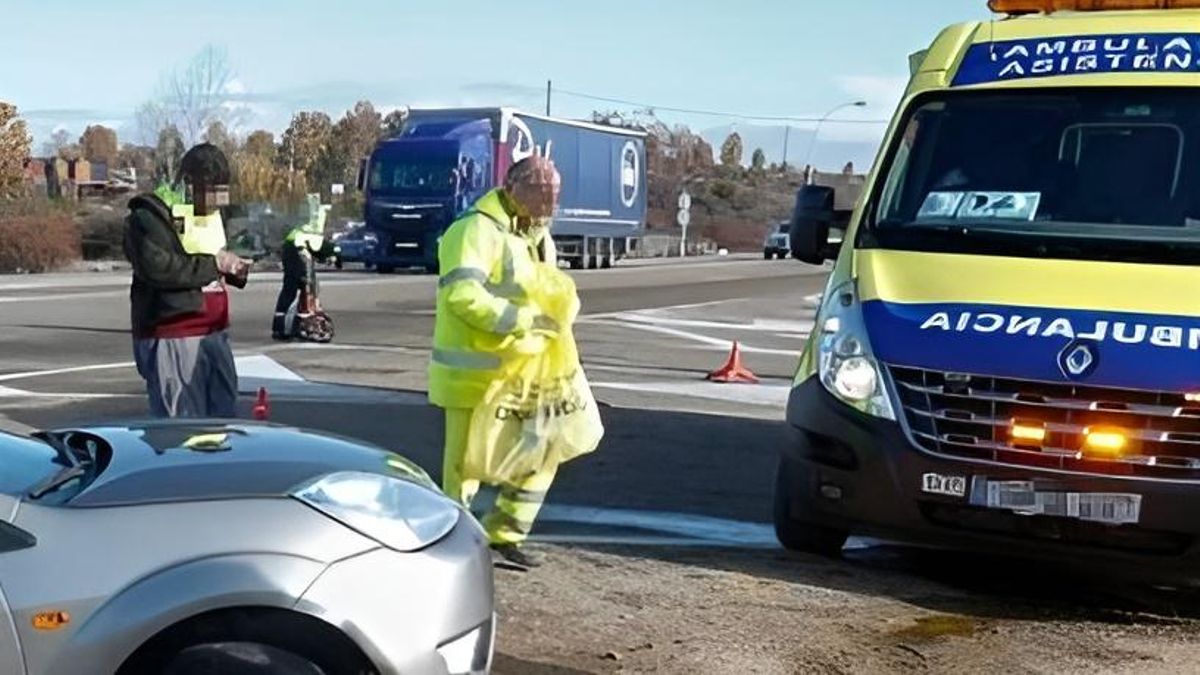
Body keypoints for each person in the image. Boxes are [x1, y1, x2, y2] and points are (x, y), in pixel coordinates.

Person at [430, 153, 561, 570]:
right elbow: (463, 296)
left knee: (540, 452)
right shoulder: (473, 230)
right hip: (472, 373)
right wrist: (523, 321)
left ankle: (506, 535)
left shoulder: (531, 234)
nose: (546, 208)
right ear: (511, 190)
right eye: (539, 197)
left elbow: (547, 288)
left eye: (552, 198)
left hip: (522, 370)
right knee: (465, 467)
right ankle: (453, 542)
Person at [124, 143, 249, 418]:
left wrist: (233, 267)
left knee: (222, 423)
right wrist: (214, 264)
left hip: (214, 332)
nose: (217, 203)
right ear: (190, 183)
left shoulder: (209, 214)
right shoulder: (148, 216)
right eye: (212, 192)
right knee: (182, 428)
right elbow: (159, 268)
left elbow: (206, 254)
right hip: (175, 332)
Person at [272, 194, 333, 340]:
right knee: (307, 286)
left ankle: (282, 326)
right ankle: (301, 324)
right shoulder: (315, 227)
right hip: (298, 251)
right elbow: (318, 247)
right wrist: (332, 256)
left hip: (292, 250)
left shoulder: (304, 226)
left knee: (290, 289)